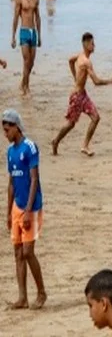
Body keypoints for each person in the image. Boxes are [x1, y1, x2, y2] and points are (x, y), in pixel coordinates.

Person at [4, 109, 46, 311]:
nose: (5, 133)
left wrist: (29, 210)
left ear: (16, 127)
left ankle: (41, 292)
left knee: (28, 252)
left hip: (32, 206)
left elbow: (34, 180)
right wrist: (7, 212)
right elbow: (11, 183)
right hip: (16, 207)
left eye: (7, 128)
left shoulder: (30, 148)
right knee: (18, 253)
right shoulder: (9, 152)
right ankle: (22, 297)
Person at [51, 33, 112, 157]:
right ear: (86, 44)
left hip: (83, 94)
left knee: (96, 117)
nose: (94, 46)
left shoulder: (80, 56)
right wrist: (110, 81)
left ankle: (85, 145)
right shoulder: (86, 62)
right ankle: (55, 141)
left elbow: (70, 61)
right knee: (70, 124)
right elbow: (96, 82)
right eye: (92, 43)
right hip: (77, 97)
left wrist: (76, 78)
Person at [11, 0, 42, 96]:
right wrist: (13, 36)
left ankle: (22, 82)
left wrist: (39, 35)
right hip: (24, 31)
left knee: (32, 62)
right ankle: (26, 87)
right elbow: (15, 18)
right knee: (26, 60)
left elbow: (38, 18)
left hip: (33, 32)